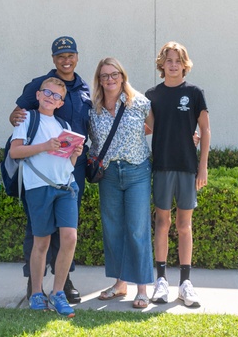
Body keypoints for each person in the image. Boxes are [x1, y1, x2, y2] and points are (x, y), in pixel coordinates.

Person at [9, 36, 91, 304]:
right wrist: (14, 118)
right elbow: (17, 114)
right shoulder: (40, 84)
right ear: (54, 60)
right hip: (39, 172)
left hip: (70, 169)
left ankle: (63, 283)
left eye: (71, 55)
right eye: (60, 56)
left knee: (67, 229)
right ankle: (33, 286)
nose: (66, 60)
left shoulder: (84, 88)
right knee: (38, 230)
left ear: (77, 56)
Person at [145, 41, 210, 308]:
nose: (173, 64)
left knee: (185, 226)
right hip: (161, 166)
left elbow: (205, 131)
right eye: (168, 60)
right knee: (162, 224)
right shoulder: (152, 95)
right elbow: (146, 128)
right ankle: (161, 282)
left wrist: (202, 166)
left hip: (187, 167)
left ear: (185, 64)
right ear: (162, 64)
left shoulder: (195, 93)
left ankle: (185, 284)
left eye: (178, 60)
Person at [88, 57, 155, 309]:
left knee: (137, 229)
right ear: (99, 80)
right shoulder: (93, 109)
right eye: (104, 76)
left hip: (137, 170)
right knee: (113, 229)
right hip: (109, 176)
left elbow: (157, 129)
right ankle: (119, 284)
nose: (109, 79)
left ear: (122, 76)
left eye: (114, 74)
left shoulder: (139, 103)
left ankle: (141, 288)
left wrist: (187, 137)